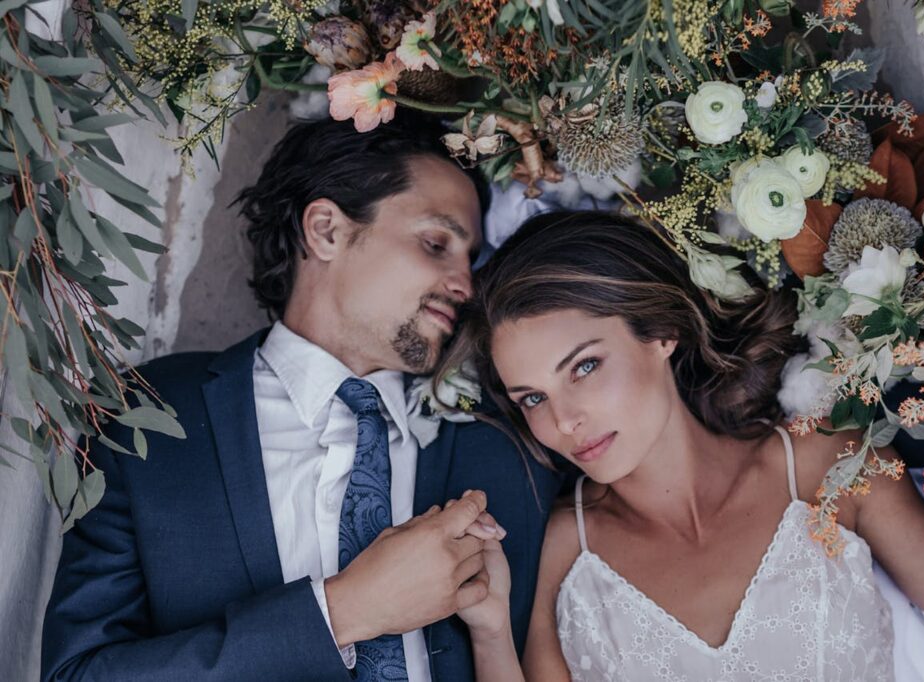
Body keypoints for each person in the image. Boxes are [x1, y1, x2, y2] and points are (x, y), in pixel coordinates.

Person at [40, 114, 562, 681]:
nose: (465, 285)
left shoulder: (510, 444)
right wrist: (344, 611)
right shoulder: (152, 415)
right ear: (327, 230)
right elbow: (76, 674)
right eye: (437, 243)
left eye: (471, 260)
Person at [442, 210, 924, 680]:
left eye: (585, 366)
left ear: (662, 333)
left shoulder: (830, 464)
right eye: (532, 398)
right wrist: (491, 635)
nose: (564, 420)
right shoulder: (563, 550)